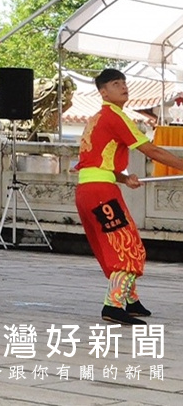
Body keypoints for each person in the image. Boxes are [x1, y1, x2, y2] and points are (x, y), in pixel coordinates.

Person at [75, 68, 183, 325]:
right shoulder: (115, 117)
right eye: (116, 83)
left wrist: (123, 178)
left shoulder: (98, 118)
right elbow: (152, 150)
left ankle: (130, 299)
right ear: (103, 92)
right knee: (129, 248)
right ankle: (113, 306)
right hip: (101, 192)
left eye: (124, 82)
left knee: (119, 245)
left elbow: (96, 161)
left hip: (91, 190)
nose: (124, 86)